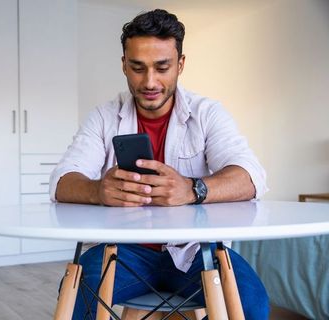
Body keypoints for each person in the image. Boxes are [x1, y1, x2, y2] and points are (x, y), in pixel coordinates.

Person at [49, 9, 269, 320]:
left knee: (251, 304)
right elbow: (62, 182)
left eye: (162, 67)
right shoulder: (103, 117)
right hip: (125, 251)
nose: (149, 81)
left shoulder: (207, 113)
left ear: (180, 64)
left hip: (195, 251)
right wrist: (99, 190)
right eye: (137, 68)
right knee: (76, 300)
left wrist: (193, 189)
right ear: (124, 64)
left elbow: (251, 177)